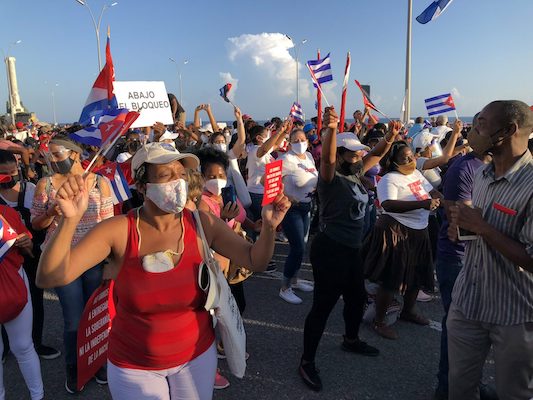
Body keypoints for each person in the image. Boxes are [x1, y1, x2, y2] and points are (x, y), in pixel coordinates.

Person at [36, 142, 290, 400]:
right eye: (167, 175)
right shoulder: (118, 231)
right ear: (142, 186)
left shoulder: (203, 223)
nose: (178, 182)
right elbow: (50, 276)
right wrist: (68, 220)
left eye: (181, 174)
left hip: (196, 358)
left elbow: (254, 260)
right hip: (134, 367)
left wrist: (269, 227)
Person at [299, 107, 401, 392]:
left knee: (356, 299)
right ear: (341, 154)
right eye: (352, 153)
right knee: (322, 307)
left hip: (352, 249)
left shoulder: (356, 172)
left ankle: (351, 339)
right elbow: (328, 159)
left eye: (359, 153)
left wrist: (390, 138)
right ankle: (306, 361)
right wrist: (331, 130)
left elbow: (376, 156)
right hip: (330, 249)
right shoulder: (330, 178)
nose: (358, 156)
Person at [447, 100, 533, 400]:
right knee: (459, 386)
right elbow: (478, 230)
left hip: (513, 312)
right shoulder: (482, 175)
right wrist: (462, 229)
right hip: (467, 302)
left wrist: (483, 228)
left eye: (481, 122)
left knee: (514, 392)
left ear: (509, 129)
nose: (473, 129)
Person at [31, 135, 113, 393]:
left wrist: (110, 262)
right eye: (50, 156)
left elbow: (108, 222)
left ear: (76, 154)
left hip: (93, 260)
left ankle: (98, 362)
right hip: (63, 261)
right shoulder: (45, 185)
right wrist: (52, 212)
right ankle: (74, 366)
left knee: (97, 315)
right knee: (73, 320)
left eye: (58, 155)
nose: (53, 161)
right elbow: (36, 224)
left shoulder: (100, 182)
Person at [432, 118, 494, 400]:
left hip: (481, 257)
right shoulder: (466, 168)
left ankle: (468, 383)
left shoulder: (491, 167)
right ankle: (448, 389)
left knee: (477, 329)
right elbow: (461, 229)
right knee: (458, 327)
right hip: (458, 259)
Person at [363, 141, 442, 340]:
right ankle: (379, 320)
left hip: (420, 230)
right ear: (394, 161)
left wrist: (439, 197)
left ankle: (408, 311)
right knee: (392, 279)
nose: (410, 160)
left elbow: (430, 190)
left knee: (417, 275)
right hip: (396, 230)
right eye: (404, 158)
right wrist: (423, 204)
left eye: (411, 156)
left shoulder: (416, 173)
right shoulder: (389, 179)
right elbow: (388, 204)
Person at [0, 150, 60, 361]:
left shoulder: (31, 189)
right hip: (5, 260)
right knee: (4, 299)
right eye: (3, 173)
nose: (9, 177)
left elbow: (41, 220)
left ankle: (36, 342)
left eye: (13, 171)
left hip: (33, 252)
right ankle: (6, 345)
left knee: (35, 299)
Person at [0, 204, 44, 400]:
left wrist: (26, 243)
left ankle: (38, 396)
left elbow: (29, 251)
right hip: (13, 286)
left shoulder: (6, 213)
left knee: (23, 346)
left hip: (12, 286)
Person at [278, 129, 318, 304]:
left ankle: (294, 280)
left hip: (307, 206)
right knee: (298, 248)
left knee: (302, 246)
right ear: (289, 142)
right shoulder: (286, 159)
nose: (300, 142)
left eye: (302, 139)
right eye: (295, 140)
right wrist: (285, 195)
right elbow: (268, 180)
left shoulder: (308, 156)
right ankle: (284, 287)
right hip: (291, 209)